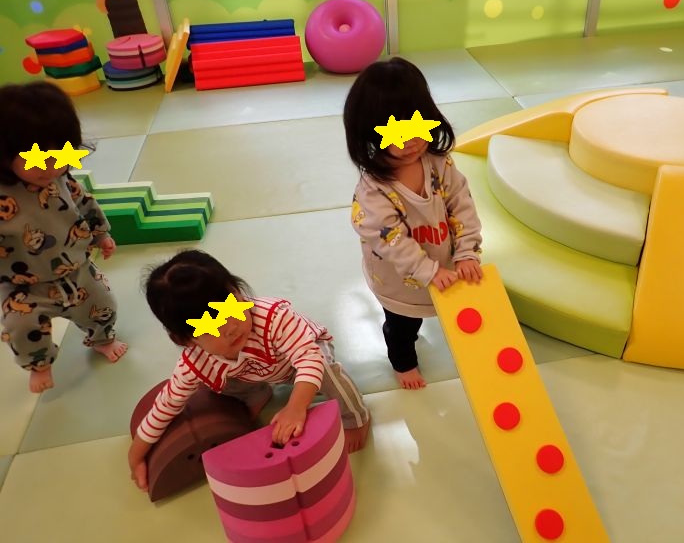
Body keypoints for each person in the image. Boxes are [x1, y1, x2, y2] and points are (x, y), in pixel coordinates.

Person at [128, 250, 370, 491]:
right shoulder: (195, 363)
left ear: (238, 291)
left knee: (326, 370)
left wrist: (295, 408)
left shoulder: (274, 318)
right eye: (211, 325)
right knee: (212, 381)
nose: (231, 327)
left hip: (304, 355)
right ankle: (257, 393)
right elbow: (166, 405)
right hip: (254, 372)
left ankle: (356, 417)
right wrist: (136, 455)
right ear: (185, 340)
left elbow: (309, 358)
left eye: (231, 308)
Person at [344, 57, 483, 390]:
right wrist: (427, 271)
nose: (410, 142)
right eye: (398, 134)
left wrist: (466, 252)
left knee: (450, 311)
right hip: (399, 280)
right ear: (371, 132)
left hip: (443, 264)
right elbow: (390, 240)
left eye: (416, 127)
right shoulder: (374, 189)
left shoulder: (439, 163)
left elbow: (462, 206)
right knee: (403, 326)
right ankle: (403, 362)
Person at [0, 82, 126, 393]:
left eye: (59, 157)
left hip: (76, 268)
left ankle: (102, 340)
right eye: (39, 160)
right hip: (23, 285)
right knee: (21, 327)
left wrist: (101, 235)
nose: (51, 168)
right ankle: (39, 365)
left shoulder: (59, 177)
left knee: (104, 305)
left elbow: (84, 203)